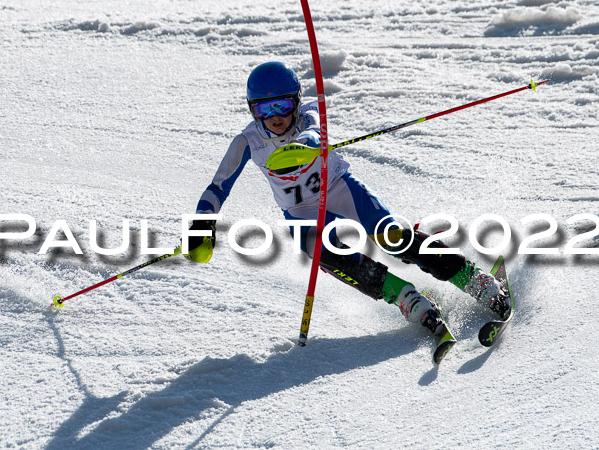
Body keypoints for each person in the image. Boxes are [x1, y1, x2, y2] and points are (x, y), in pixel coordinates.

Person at [185, 61, 511, 338]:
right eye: (264, 109)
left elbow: (314, 131)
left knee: (392, 237)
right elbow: (218, 186)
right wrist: (202, 223)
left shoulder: (309, 115)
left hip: (340, 189)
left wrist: (305, 145)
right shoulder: (247, 141)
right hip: (301, 212)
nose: (275, 116)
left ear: (296, 102)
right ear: (251, 109)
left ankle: (472, 278)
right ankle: (406, 298)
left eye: (282, 106)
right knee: (328, 257)